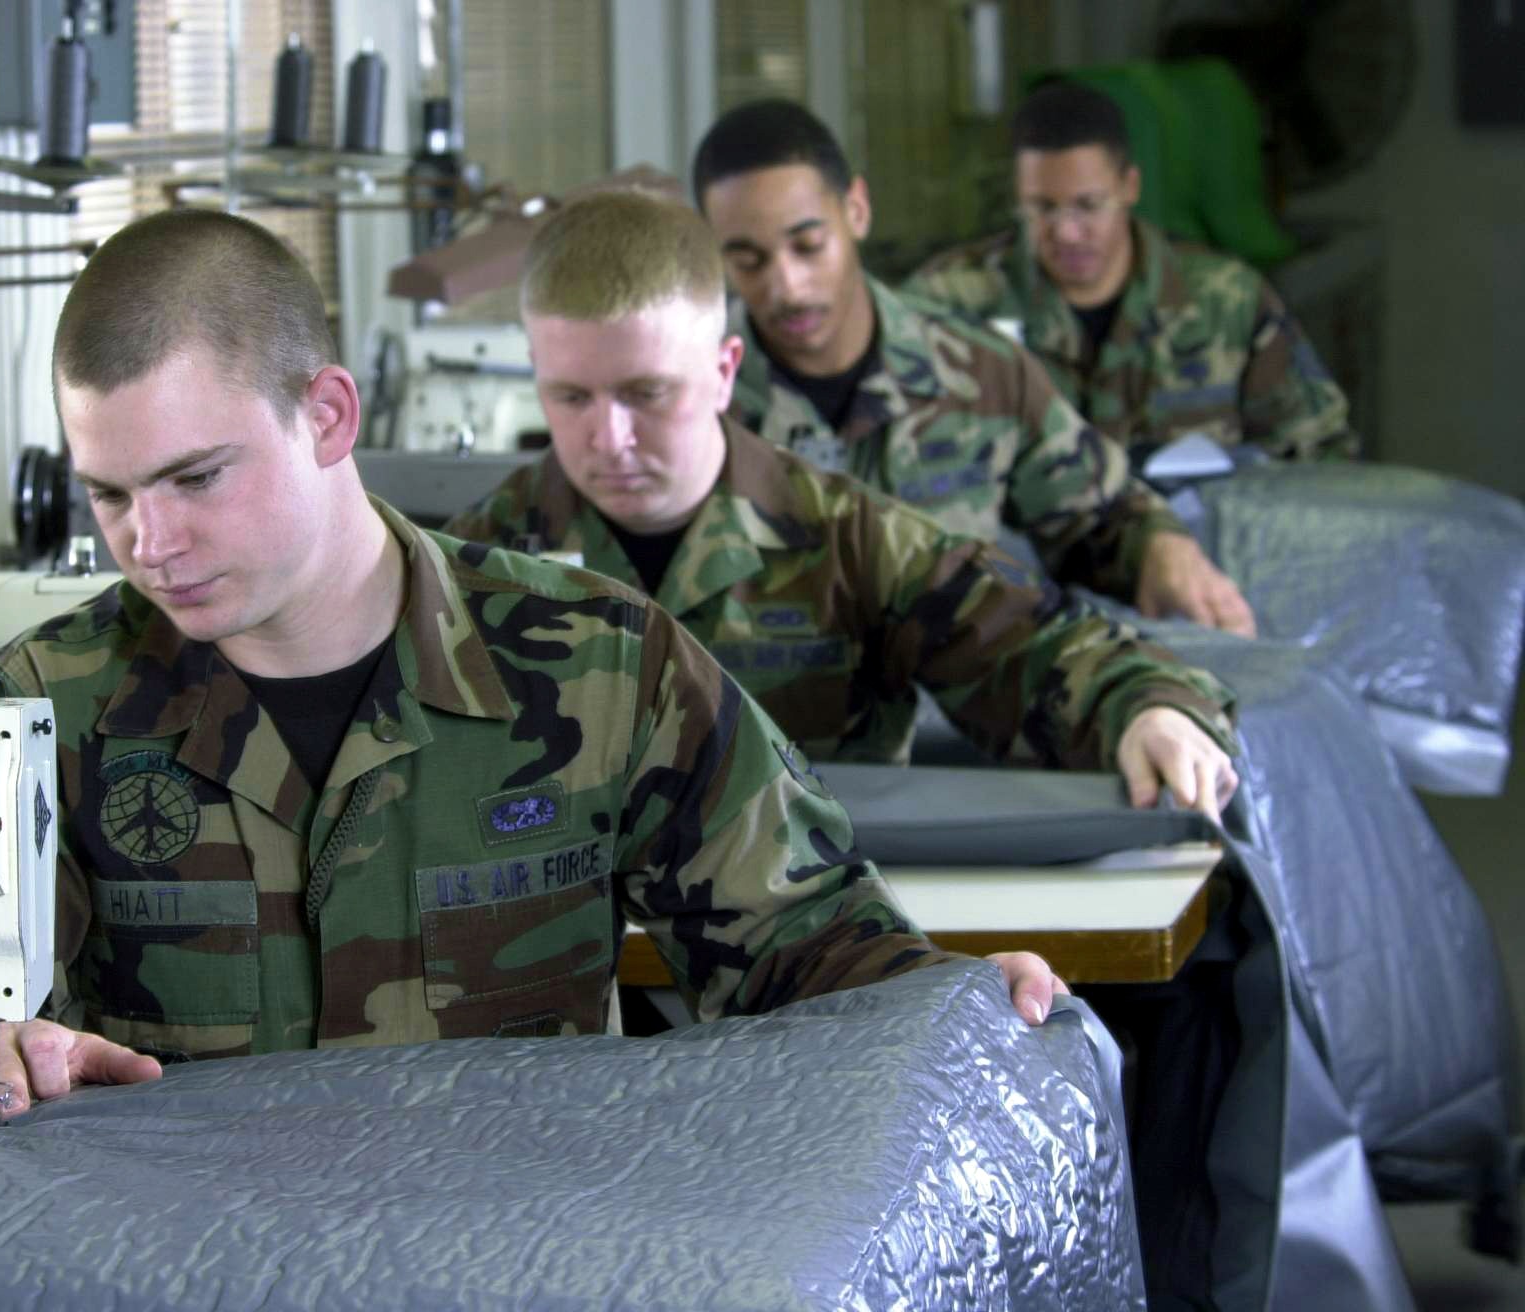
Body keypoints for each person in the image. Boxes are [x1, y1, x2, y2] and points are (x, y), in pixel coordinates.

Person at [0, 209, 1061, 1118]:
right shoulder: (42, 706)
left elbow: (806, 941)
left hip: (519, 1253)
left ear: (329, 417)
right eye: (110, 493)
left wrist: (940, 1001)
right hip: (181, 1269)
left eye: (196, 477)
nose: (152, 541)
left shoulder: (595, 668)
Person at [445, 190, 1239, 808]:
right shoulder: (478, 562)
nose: (608, 438)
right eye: (571, 397)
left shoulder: (846, 539)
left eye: (646, 393)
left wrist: (1151, 711)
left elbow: (1032, 643)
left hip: (815, 966)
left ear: (725, 370)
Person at [690, 99, 1257, 638]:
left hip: (958, 720)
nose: (786, 287)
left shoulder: (981, 372)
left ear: (857, 211)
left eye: (809, 245)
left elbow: (1097, 516)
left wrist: (1160, 549)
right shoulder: (687, 400)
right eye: (747, 260)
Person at [905, 80, 1352, 461]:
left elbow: (1321, 459)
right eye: (1042, 208)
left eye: (1088, 205)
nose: (1067, 233)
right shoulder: (947, 304)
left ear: (1129, 187)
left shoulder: (1228, 303)